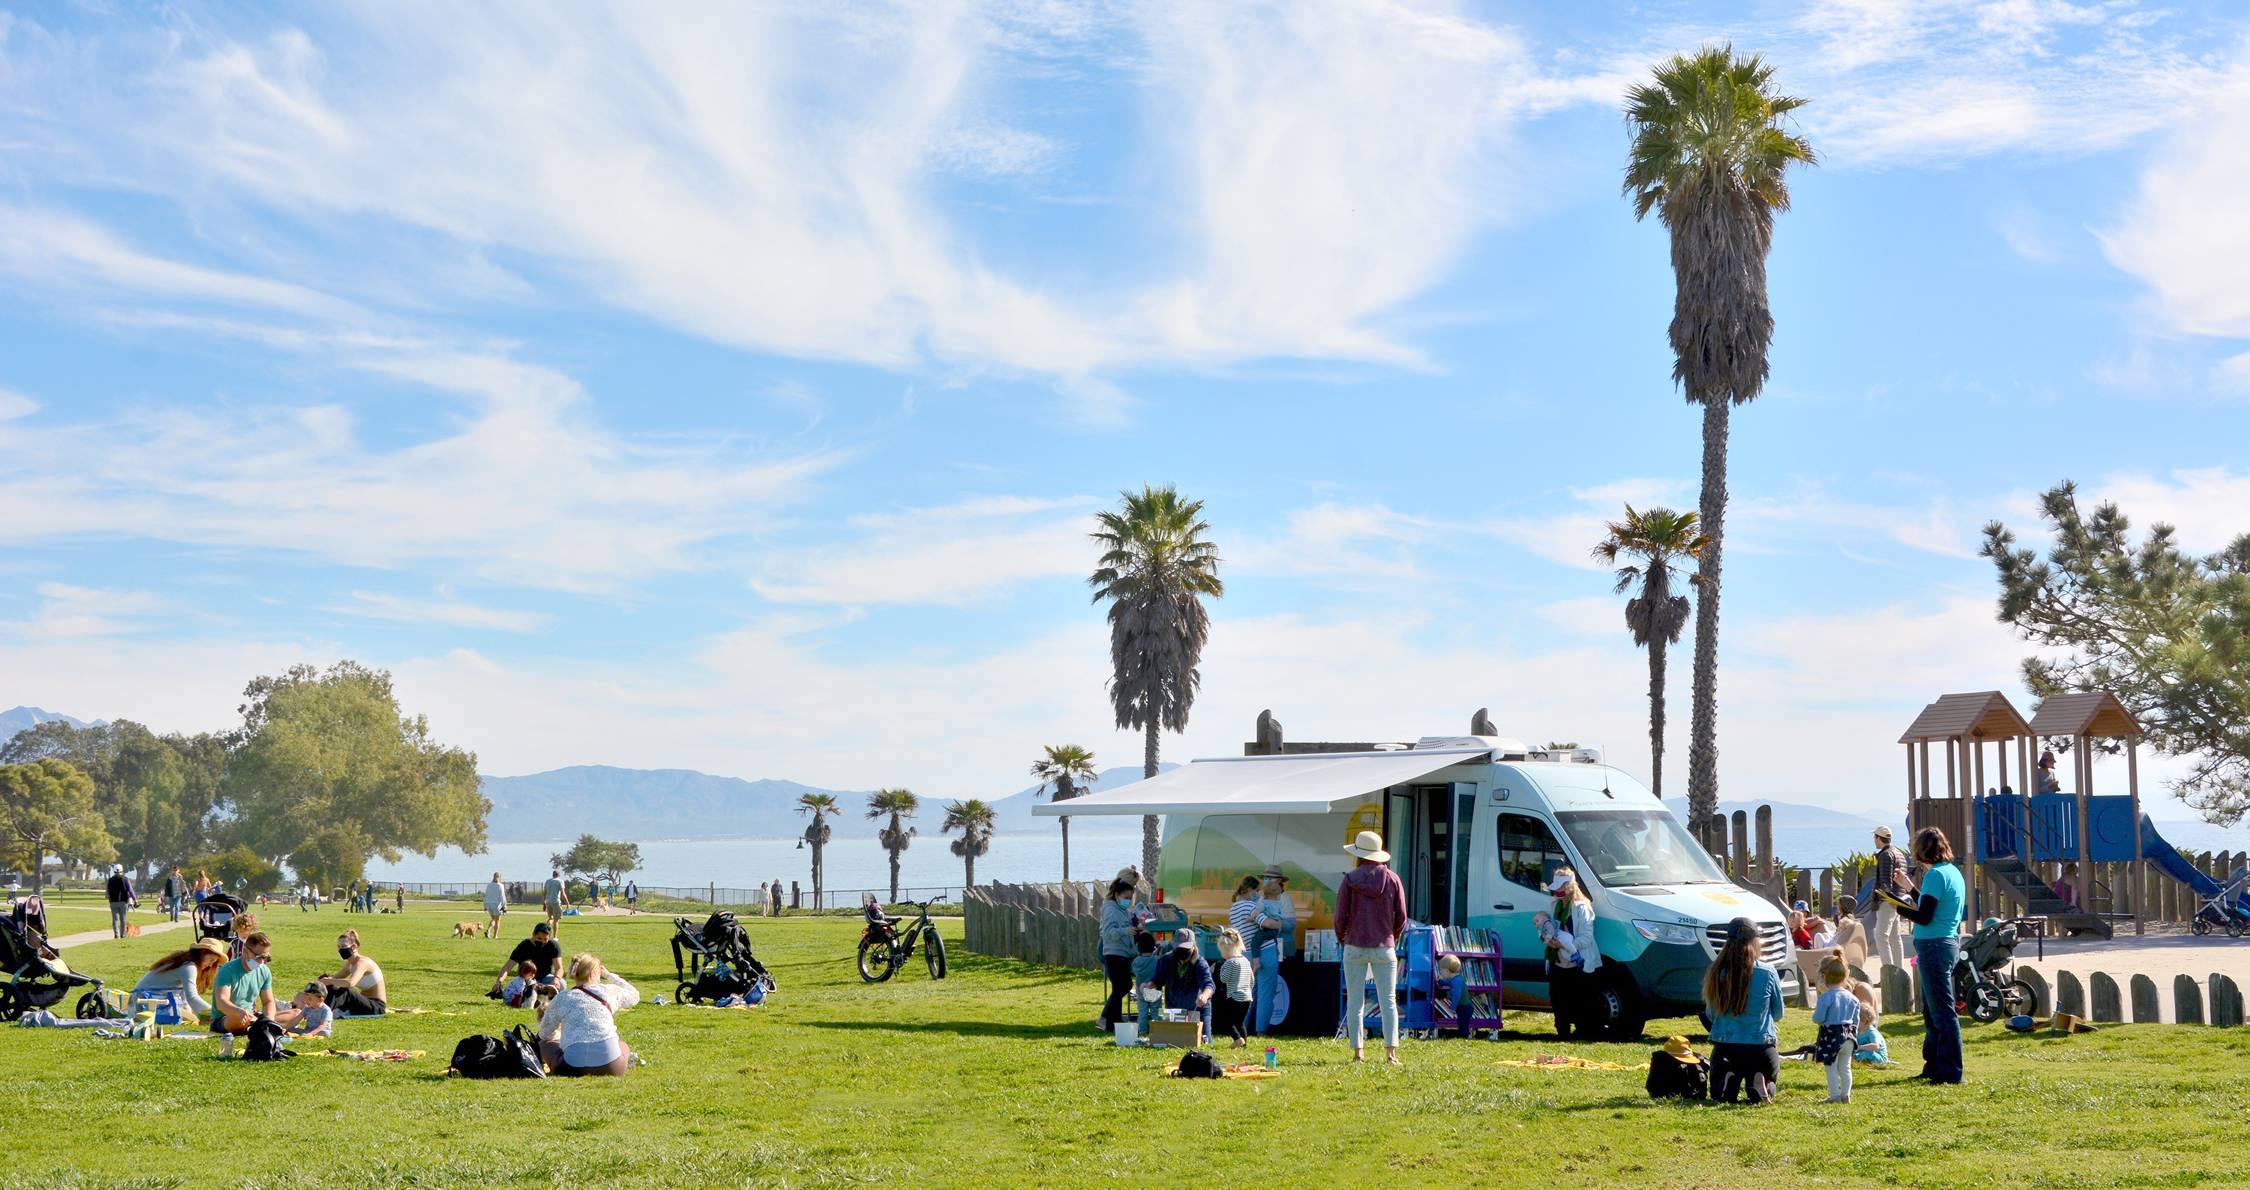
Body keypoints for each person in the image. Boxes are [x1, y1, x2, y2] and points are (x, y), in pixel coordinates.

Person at [1897, 826, 1966, 1085]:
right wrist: (1911, 889)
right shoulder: (1951, 872)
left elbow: (1924, 916)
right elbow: (1931, 905)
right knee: (1931, 1010)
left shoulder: (1936, 875)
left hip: (1935, 946)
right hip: (1945, 944)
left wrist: (1900, 908)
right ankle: (1934, 1067)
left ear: (1923, 850)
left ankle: (1949, 1073)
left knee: (1942, 1013)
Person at [1333, 830, 1407, 1064]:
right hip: (1384, 946)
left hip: (1354, 944)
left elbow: (1339, 918)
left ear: (1359, 854)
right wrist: (1391, 938)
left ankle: (1358, 1053)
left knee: (1355, 1002)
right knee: (1388, 1001)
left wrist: (1344, 938)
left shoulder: (1349, 879)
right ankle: (1391, 1053)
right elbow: (1402, 916)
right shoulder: (1393, 879)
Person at [1702, 917, 1784, 1104]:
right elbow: (1778, 1014)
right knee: (1767, 1086)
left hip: (1727, 1047)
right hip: (1761, 1046)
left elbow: (1711, 1014)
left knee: (1718, 1094)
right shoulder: (1768, 972)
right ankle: (1760, 1080)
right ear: (1756, 941)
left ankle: (1729, 1078)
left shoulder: (1716, 972)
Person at [535, 952, 641, 1076]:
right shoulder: (608, 991)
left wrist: (559, 1039)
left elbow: (544, 1033)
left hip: (571, 1067)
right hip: (611, 1067)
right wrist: (609, 976)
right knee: (622, 1045)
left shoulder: (562, 998)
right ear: (593, 974)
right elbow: (634, 995)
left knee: (544, 1044)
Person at [1547, 868, 1604, 1040]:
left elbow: (1586, 937)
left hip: (1579, 963)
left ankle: (1586, 1034)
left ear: (1570, 886)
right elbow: (1549, 928)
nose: (1556, 891)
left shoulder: (1581, 907)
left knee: (1582, 1002)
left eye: (1560, 886)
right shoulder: (1555, 906)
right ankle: (1562, 1034)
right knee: (1558, 1000)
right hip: (1558, 961)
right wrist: (1550, 941)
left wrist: (1569, 945)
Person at [211, 931, 291, 1034]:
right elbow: (221, 1003)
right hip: (227, 1018)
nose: (262, 961)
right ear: (246, 951)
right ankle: (262, 1026)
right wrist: (239, 1012)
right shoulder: (227, 970)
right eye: (258, 957)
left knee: (296, 1013)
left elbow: (268, 1002)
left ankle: (263, 1025)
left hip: (252, 1016)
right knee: (240, 1019)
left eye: (265, 957)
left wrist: (269, 1019)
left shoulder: (264, 971)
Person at [133, 937, 229, 1021]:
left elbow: (184, 996)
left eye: (214, 962)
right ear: (203, 953)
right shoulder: (188, 966)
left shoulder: (185, 962)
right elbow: (192, 997)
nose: (210, 965)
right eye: (211, 960)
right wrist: (215, 1014)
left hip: (147, 997)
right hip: (144, 999)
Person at [1249, 868, 1295, 1035]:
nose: (1267, 880)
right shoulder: (1263, 897)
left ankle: (1260, 1029)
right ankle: (1253, 1027)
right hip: (1266, 946)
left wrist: (1276, 924)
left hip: (1281, 946)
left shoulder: (1285, 899)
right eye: (1265, 878)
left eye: (1270, 878)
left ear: (1279, 881)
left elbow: (1291, 925)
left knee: (1266, 992)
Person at [1811, 951, 1861, 1104]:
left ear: (1823, 977)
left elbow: (1818, 1018)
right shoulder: (1852, 997)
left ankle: (1834, 1096)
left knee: (1831, 1067)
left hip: (1832, 1035)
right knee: (1845, 1067)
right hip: (1849, 1036)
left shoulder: (1826, 997)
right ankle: (1846, 1095)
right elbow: (1856, 1020)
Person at [1865, 826, 1912, 973]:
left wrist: (1882, 898)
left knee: (1881, 938)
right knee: (1894, 938)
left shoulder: (1886, 855)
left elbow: (1885, 882)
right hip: (1899, 900)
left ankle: (1889, 973)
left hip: (1888, 901)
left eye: (1875, 838)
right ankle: (1899, 972)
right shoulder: (1898, 853)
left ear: (1880, 838)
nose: (1874, 840)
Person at [1095, 877, 1139, 1032]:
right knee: (1123, 986)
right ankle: (1106, 1018)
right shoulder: (1111, 910)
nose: (1128, 901)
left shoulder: (1123, 910)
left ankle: (1113, 1021)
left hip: (1124, 952)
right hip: (1114, 953)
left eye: (1130, 898)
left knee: (1121, 986)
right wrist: (1125, 931)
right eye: (1126, 898)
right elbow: (1108, 932)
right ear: (1117, 895)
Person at [1150, 929, 1213, 1036]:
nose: (1182, 952)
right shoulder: (1166, 960)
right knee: (1173, 1040)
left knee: (1204, 1041)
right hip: (1173, 1010)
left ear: (1193, 946)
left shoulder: (1200, 963)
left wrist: (1204, 996)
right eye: (1179, 948)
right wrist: (1148, 986)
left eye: (1186, 948)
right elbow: (1157, 981)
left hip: (1197, 1010)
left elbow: (1209, 985)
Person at [318, 928, 388, 1016]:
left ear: (354, 947)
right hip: (363, 1003)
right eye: (339, 947)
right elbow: (334, 979)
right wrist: (324, 981)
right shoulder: (350, 964)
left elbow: (351, 983)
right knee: (331, 987)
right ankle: (313, 1007)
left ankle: (322, 1012)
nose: (340, 950)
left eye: (343, 946)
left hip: (376, 1007)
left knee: (346, 991)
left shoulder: (362, 963)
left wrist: (330, 980)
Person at [493, 921, 564, 997]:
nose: (542, 941)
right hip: (526, 979)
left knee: (562, 984)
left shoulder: (553, 946)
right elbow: (507, 967)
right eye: (539, 938)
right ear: (533, 934)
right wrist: (499, 981)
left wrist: (556, 979)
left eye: (545, 939)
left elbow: (559, 968)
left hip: (544, 978)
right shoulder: (524, 946)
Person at [1212, 927, 1255, 1048]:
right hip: (1247, 997)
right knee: (1240, 1023)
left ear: (1225, 948)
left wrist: (1220, 969)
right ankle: (1244, 1044)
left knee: (1227, 1021)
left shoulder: (1229, 963)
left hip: (1234, 997)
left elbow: (1223, 979)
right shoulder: (1245, 961)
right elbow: (1252, 979)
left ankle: (1237, 1039)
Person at [1130, 931, 1164, 1025]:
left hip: (1141, 991)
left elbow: (1133, 971)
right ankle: (1156, 1030)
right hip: (1154, 989)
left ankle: (1142, 1030)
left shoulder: (1136, 961)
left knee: (1142, 1013)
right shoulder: (1157, 960)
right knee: (1156, 1012)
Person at [105, 864, 138, 939]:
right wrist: (135, 899)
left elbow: (108, 891)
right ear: (122, 871)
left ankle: (116, 935)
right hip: (123, 901)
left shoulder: (110, 880)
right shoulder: (125, 879)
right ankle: (123, 934)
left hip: (113, 901)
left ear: (114, 871)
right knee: (123, 919)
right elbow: (130, 890)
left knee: (115, 919)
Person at [543, 869, 568, 935]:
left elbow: (544, 893)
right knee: (556, 920)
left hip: (548, 902)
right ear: (559, 875)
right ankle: (555, 936)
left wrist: (544, 902)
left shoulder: (547, 881)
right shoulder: (560, 881)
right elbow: (563, 893)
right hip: (556, 902)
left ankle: (545, 929)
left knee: (551, 918)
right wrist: (567, 902)